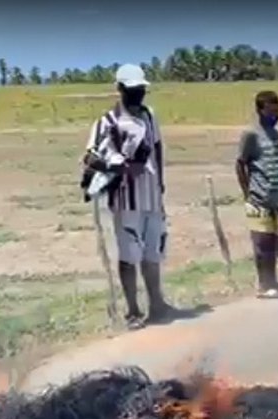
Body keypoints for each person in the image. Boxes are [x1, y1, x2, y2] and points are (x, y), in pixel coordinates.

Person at [82, 63, 173, 329]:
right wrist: (119, 167)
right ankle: (133, 311)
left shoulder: (149, 116)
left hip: (151, 196)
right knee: (129, 255)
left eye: (141, 89)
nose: (138, 94)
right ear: (120, 89)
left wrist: (160, 183)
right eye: (133, 90)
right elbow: (89, 158)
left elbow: (157, 148)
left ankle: (157, 304)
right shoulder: (107, 122)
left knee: (152, 253)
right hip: (125, 200)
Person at [236, 90, 278, 299]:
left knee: (273, 243)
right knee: (262, 243)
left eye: (277, 111)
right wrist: (247, 193)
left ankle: (272, 280)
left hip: (277, 198)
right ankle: (264, 284)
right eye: (270, 112)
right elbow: (241, 164)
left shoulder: (276, 135)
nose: (275, 115)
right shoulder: (251, 135)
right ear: (260, 111)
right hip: (259, 198)